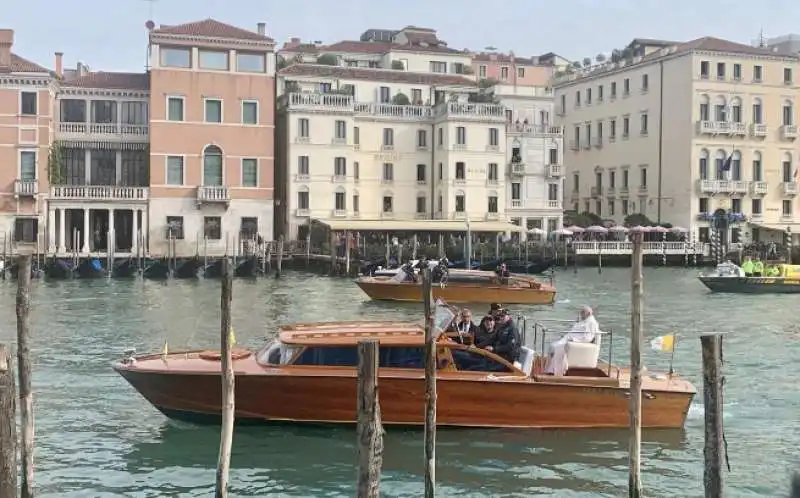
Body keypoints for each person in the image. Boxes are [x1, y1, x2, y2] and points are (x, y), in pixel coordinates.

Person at [545, 306, 600, 376]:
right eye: (581, 312)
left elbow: (588, 338)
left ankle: (556, 372)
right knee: (552, 347)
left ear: (588, 313)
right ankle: (549, 370)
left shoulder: (592, 323)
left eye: (583, 312)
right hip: (568, 339)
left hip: (574, 342)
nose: (581, 314)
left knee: (556, 347)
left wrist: (574, 339)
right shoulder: (584, 321)